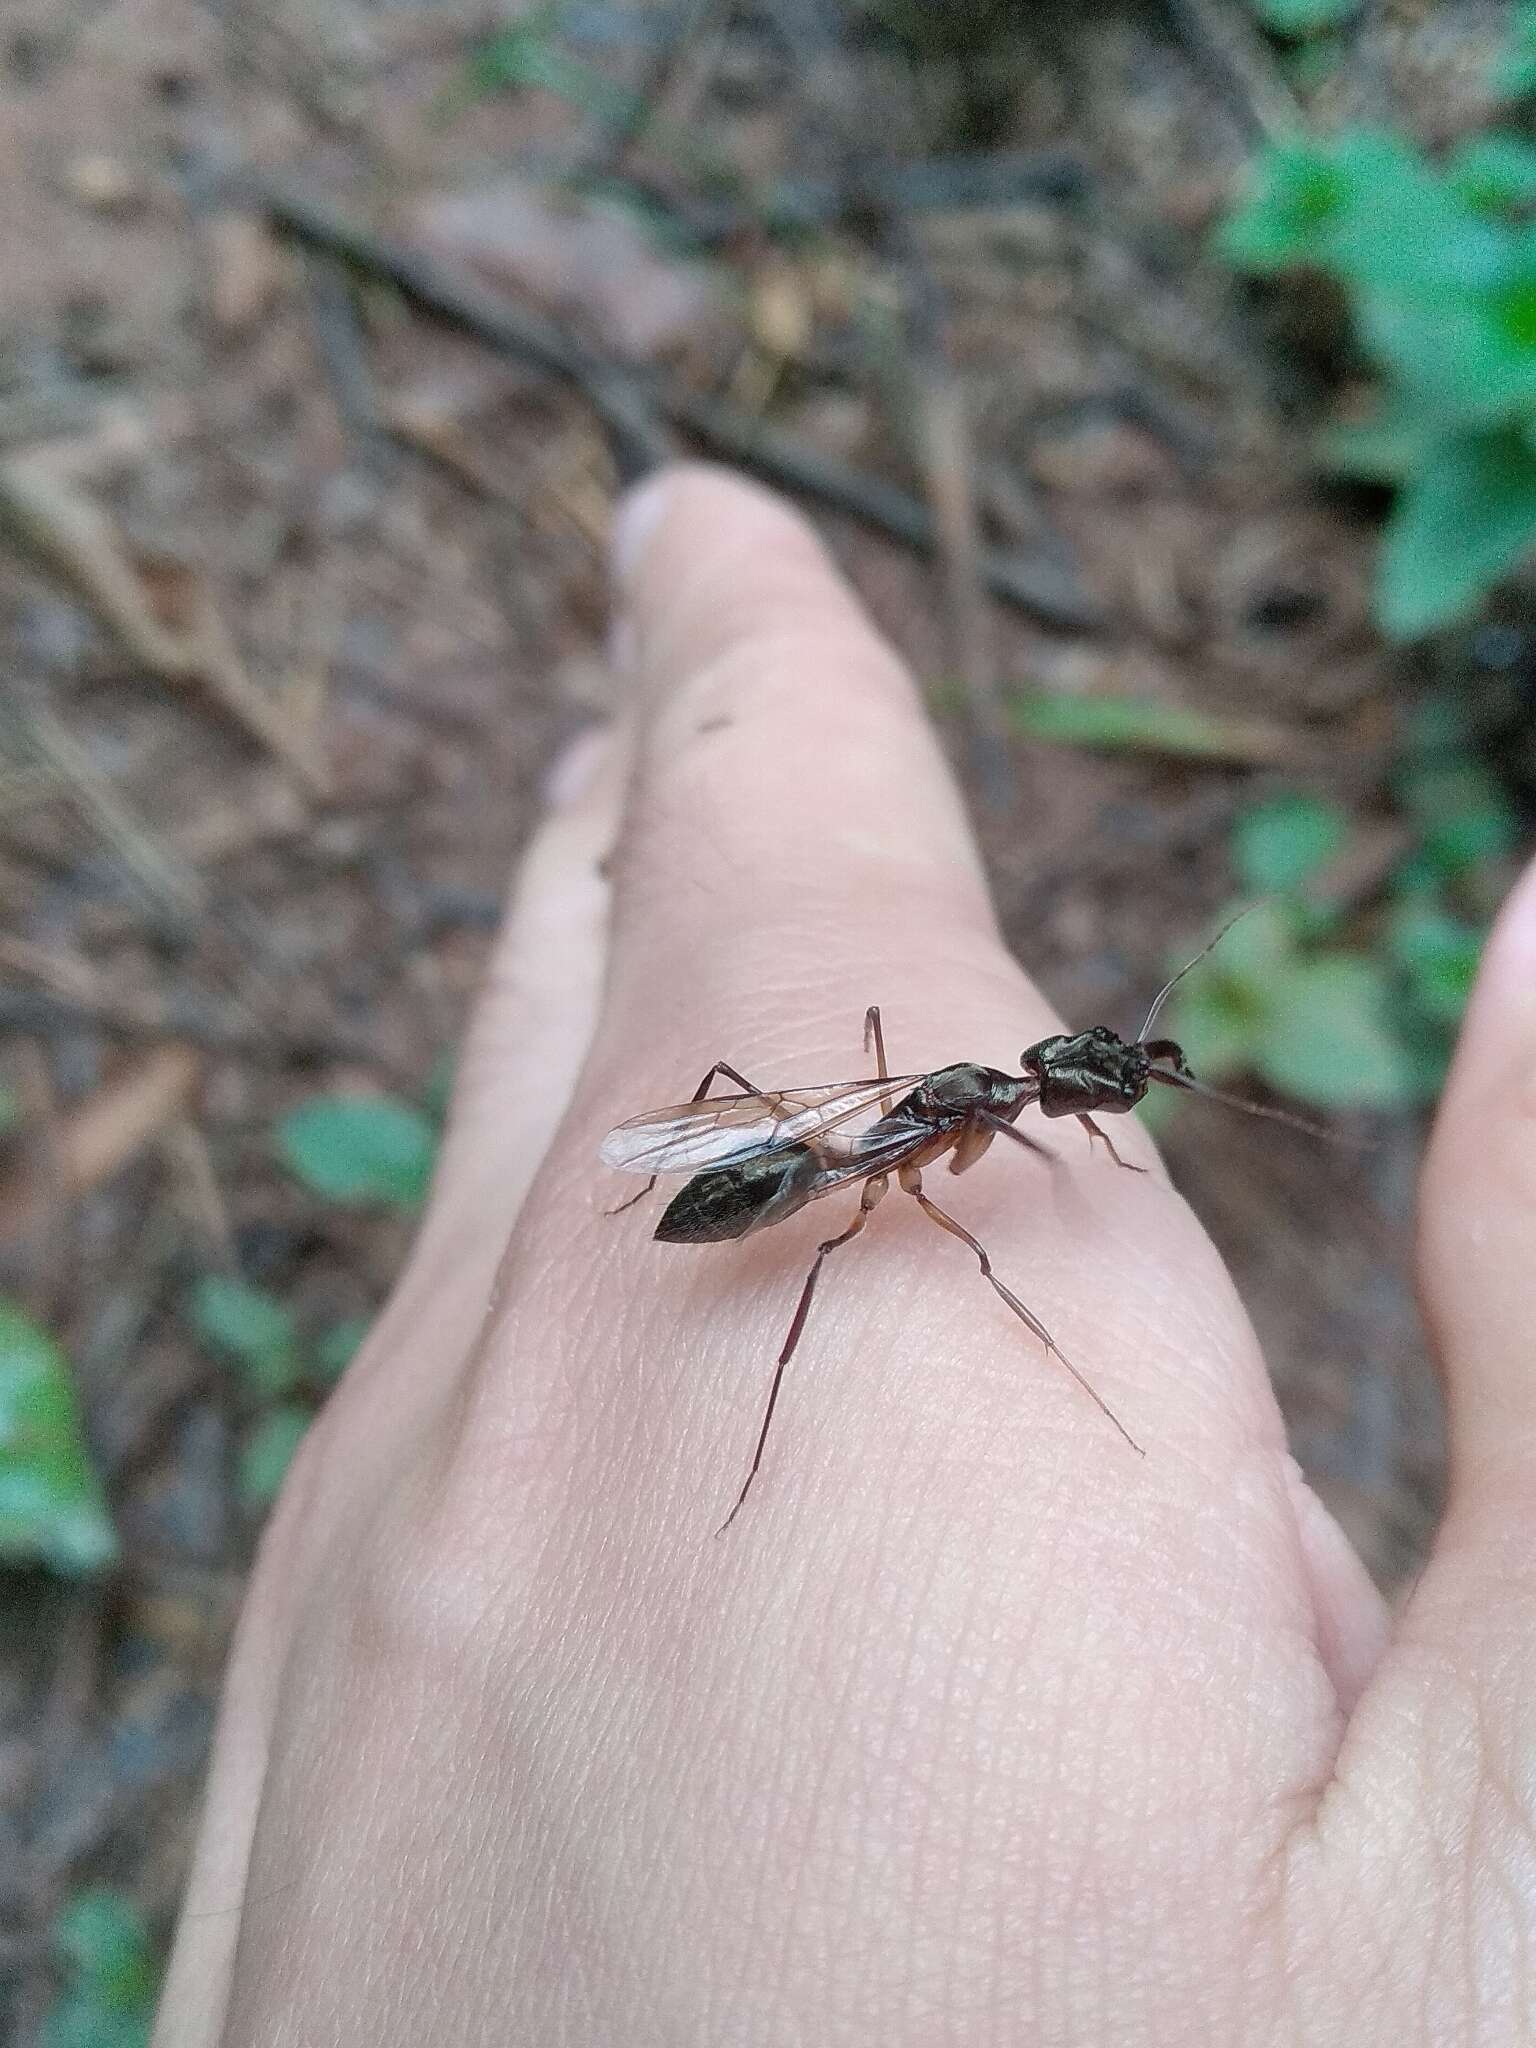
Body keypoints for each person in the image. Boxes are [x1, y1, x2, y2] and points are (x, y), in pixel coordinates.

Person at [154, 467, 1536, 2046]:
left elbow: (1030, 1092)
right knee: (852, 1246)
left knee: (831, 1177)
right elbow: (949, 1136)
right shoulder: (952, 1125)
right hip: (784, 1169)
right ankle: (747, 1441)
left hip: (817, 1134)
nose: (1088, 1098)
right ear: (1056, 1093)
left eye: (1096, 1086)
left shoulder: (996, 1091)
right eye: (1092, 1089)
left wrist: (1085, 1096)